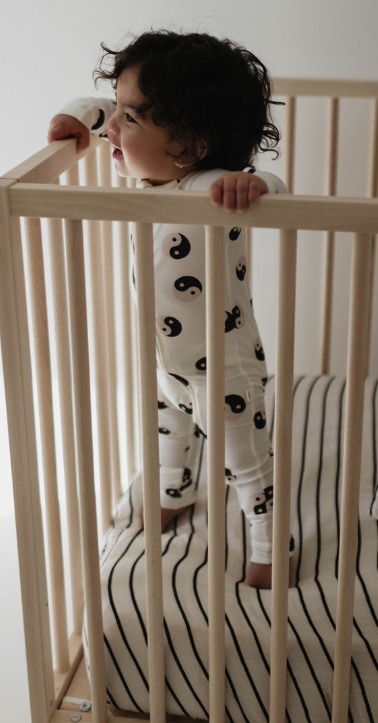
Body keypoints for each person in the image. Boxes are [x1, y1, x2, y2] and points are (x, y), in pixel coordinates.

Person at [47, 30, 289, 589]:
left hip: (222, 367)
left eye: (130, 121)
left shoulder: (211, 186)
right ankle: (174, 493)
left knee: (248, 467)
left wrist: (247, 187)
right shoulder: (148, 170)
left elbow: (274, 184)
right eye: (117, 114)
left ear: (191, 145)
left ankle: (269, 544)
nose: (111, 128)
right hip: (165, 363)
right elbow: (103, 107)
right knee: (167, 437)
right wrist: (74, 119)